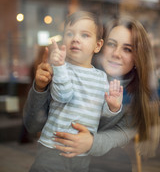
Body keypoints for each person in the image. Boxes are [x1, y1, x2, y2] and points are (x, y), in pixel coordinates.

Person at [23, 15, 160, 172]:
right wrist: (40, 88)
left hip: (87, 161)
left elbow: (119, 134)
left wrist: (91, 143)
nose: (116, 53)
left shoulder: (136, 98)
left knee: (117, 160)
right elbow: (32, 125)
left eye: (127, 49)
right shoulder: (67, 73)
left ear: (137, 58)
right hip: (52, 155)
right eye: (111, 44)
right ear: (99, 46)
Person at [29, 11, 123, 172]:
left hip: (81, 152)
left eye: (85, 35)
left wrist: (113, 107)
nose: (76, 39)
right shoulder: (61, 70)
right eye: (70, 33)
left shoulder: (101, 77)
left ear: (98, 45)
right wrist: (59, 67)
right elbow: (62, 96)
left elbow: (103, 117)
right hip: (53, 147)